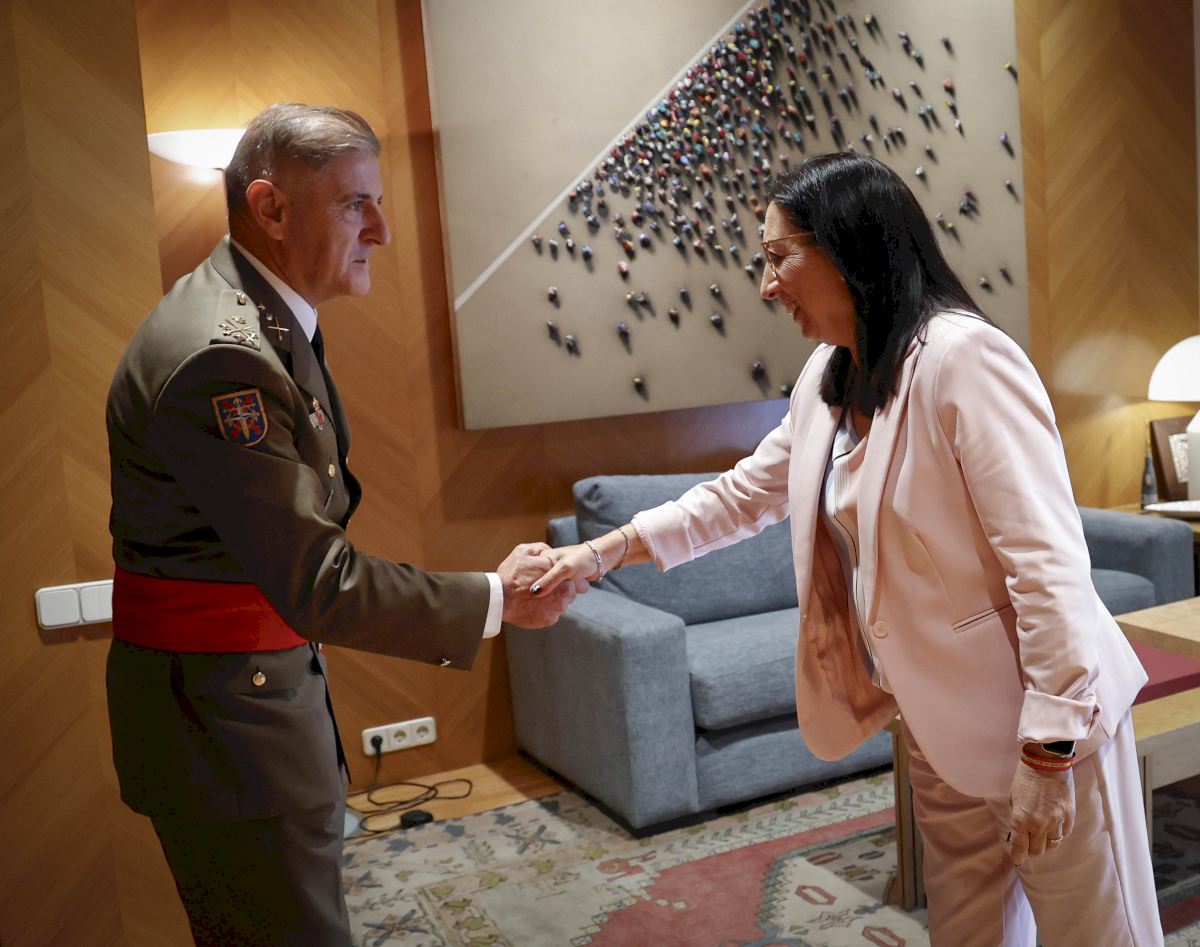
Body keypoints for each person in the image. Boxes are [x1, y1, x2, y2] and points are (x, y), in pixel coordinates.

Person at [534, 153, 1161, 945]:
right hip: (933, 726)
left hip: (1038, 726)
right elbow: (744, 494)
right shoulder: (828, 374)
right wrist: (598, 554)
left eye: (778, 257)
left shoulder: (965, 360)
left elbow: (1048, 568)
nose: (767, 286)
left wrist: (1049, 752)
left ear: (849, 248)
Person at [105, 103, 579, 947]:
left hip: (243, 702)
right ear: (271, 207)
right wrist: (494, 598)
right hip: (227, 729)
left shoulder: (258, 316)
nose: (382, 231)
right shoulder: (224, 355)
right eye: (357, 204)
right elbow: (317, 579)